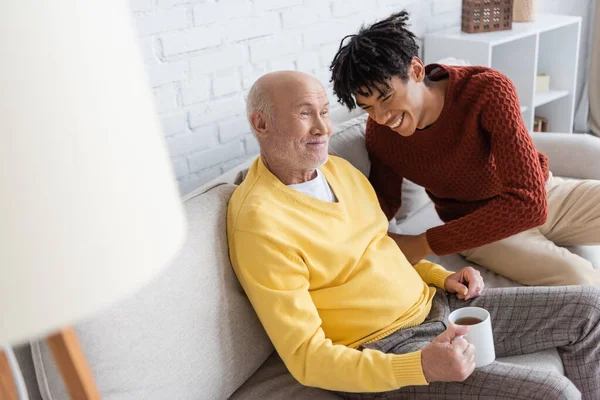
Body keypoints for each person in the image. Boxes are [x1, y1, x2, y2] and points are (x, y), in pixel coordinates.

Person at [227, 70, 600, 399]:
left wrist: (441, 276)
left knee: (591, 308)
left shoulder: (338, 171)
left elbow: (379, 246)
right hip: (384, 350)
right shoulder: (260, 223)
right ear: (261, 124)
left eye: (324, 112)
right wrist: (419, 366)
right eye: (305, 113)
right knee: (554, 393)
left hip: (437, 307)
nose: (323, 128)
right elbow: (307, 358)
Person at [329, 11, 600, 287]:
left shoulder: (487, 90)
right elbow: (385, 203)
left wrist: (424, 242)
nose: (381, 116)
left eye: (386, 98)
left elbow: (530, 202)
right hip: (478, 231)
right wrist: (335, 189)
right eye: (368, 107)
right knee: (582, 280)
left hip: (544, 194)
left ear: (416, 70)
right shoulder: (381, 135)